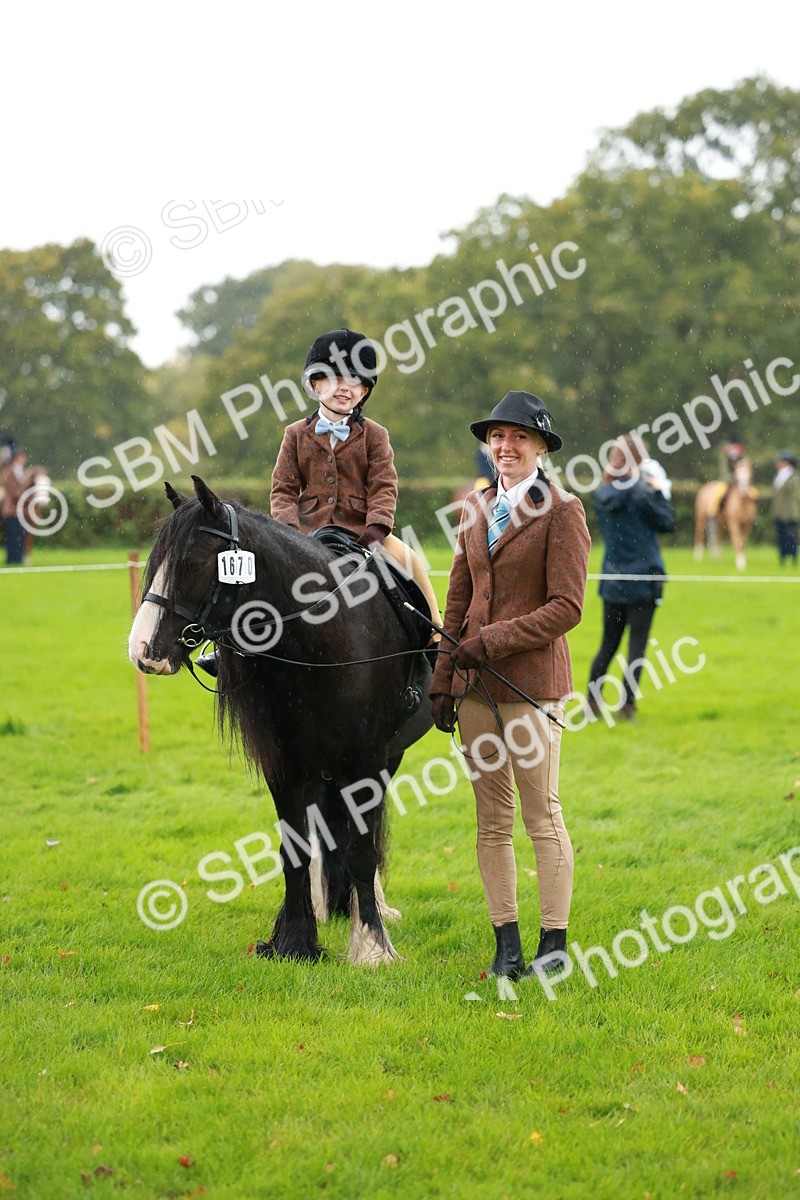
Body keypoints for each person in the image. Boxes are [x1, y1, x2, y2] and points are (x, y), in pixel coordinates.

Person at [429, 390, 590, 981]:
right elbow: (458, 598)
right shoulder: (474, 506)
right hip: (473, 689)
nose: (505, 447)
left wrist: (491, 641)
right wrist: (444, 677)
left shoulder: (563, 510)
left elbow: (567, 607)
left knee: (541, 814)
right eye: (497, 437)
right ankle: (507, 943)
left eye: (519, 437)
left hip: (531, 685)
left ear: (541, 446)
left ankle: (553, 943)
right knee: (490, 818)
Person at [587, 435, 675, 722]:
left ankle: (592, 702)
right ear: (640, 459)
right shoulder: (643, 492)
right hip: (645, 576)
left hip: (612, 577)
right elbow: (667, 523)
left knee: (608, 644)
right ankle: (627, 705)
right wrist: (659, 491)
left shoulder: (603, 492)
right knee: (637, 644)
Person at [771, 450, 799, 567]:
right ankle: (783, 557)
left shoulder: (794, 478)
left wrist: (788, 512)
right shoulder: (778, 477)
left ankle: (793, 558)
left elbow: (795, 496)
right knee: (781, 537)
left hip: (790, 512)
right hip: (778, 512)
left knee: (791, 536)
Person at [2, 445, 28, 566]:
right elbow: (14, 491)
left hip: (20, 510)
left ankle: (18, 558)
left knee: (20, 535)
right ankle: (12, 558)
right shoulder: (9, 472)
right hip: (11, 509)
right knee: (13, 535)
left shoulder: (21, 471)